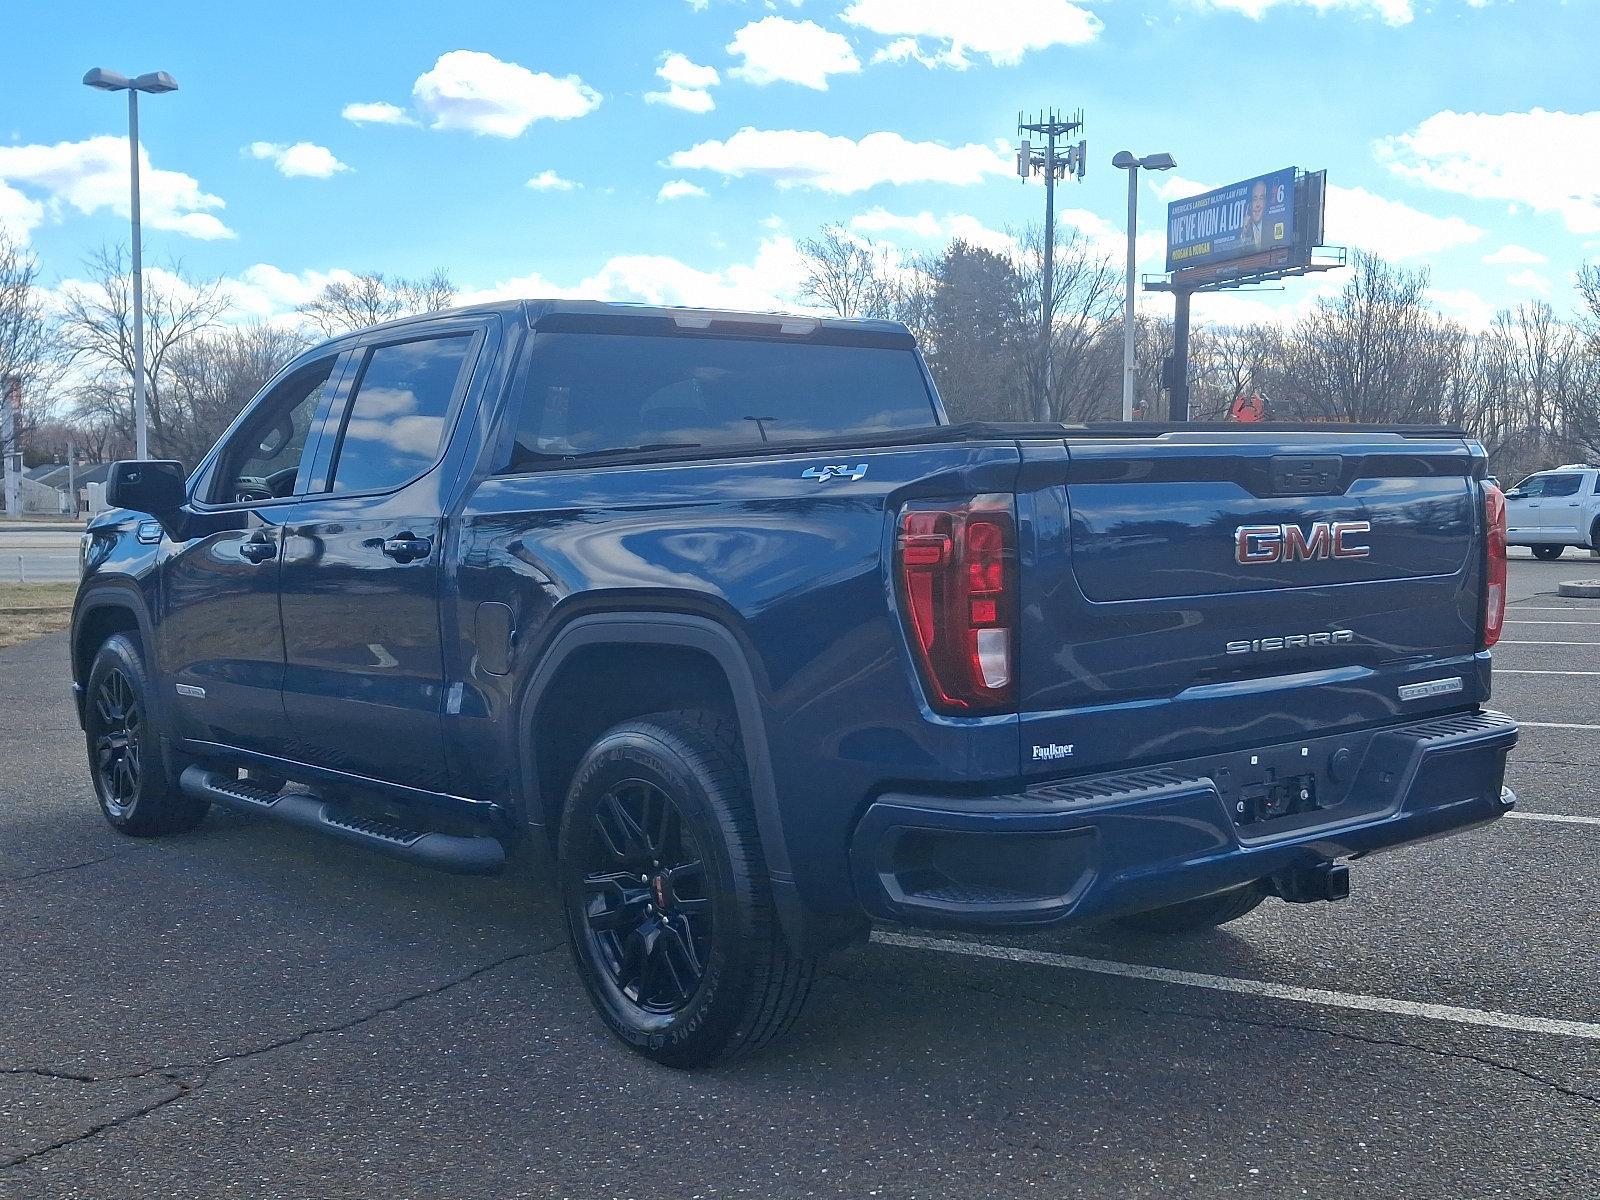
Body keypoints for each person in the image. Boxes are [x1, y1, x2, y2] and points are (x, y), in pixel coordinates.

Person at [1239, 179, 1269, 251]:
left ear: (1265, 203)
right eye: (1255, 199)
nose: (1258, 205)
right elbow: (1239, 252)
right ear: (1250, 205)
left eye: (1261, 199)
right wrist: (1244, 229)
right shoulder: (1244, 230)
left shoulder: (1271, 227)